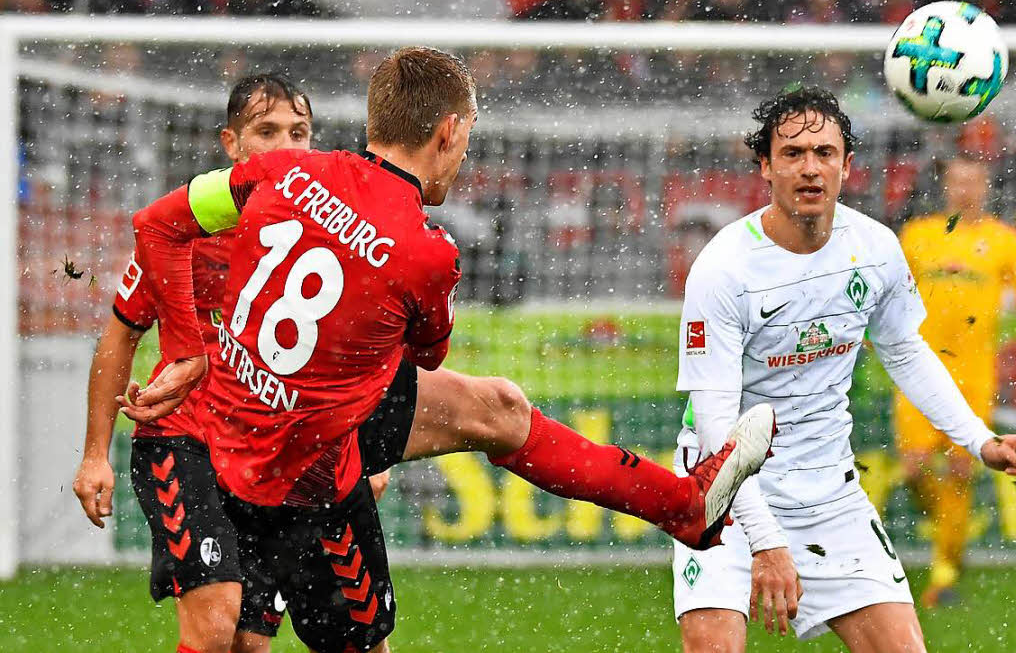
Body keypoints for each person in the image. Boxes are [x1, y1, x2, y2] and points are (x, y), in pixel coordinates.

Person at [121, 47, 777, 653]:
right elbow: (429, 353)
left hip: (274, 416)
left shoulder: (284, 169)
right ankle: (682, 506)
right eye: (466, 140)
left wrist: (187, 348)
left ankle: (683, 505)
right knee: (234, 634)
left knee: (498, 405)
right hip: (293, 444)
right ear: (451, 133)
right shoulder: (428, 252)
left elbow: (155, 223)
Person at [672, 86, 1016, 652]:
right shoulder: (723, 267)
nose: (810, 168)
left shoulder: (876, 248)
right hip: (726, 498)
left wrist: (980, 441)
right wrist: (765, 542)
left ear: (847, 164)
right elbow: (715, 422)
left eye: (824, 153)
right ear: (765, 166)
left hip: (831, 493)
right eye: (792, 154)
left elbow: (905, 351)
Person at [73, 73, 320, 653]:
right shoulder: (183, 226)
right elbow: (121, 338)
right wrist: (93, 456)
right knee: (213, 623)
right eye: (267, 131)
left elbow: (361, 351)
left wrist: (365, 449)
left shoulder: (329, 234)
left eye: (299, 132)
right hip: (182, 439)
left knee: (251, 644)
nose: (286, 146)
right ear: (232, 145)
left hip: (270, 453)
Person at [894, 152, 1016, 608]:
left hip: (973, 375)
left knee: (964, 471)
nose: (965, 190)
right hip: (919, 373)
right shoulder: (918, 235)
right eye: (958, 181)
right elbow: (889, 299)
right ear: (946, 186)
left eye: (974, 181)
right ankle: (946, 534)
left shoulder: (1005, 242)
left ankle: (945, 569)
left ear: (987, 187)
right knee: (914, 467)